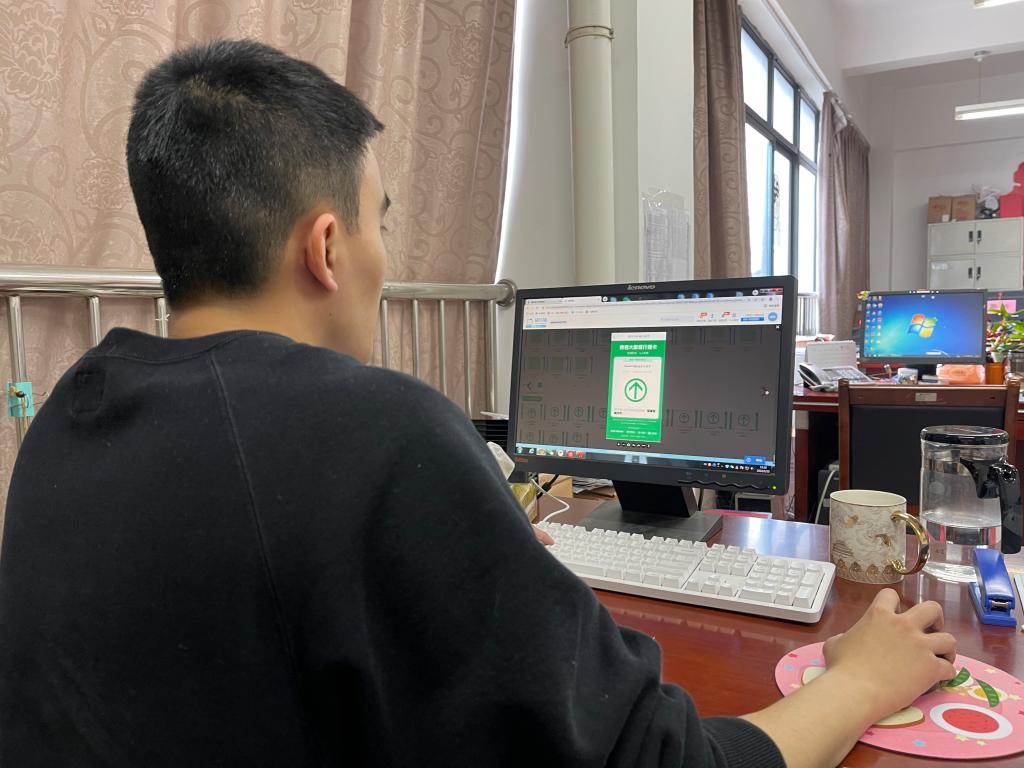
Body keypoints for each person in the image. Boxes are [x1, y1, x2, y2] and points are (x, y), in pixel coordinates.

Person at [0, 40, 955, 768]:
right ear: (326, 248)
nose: (383, 259)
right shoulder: (376, 432)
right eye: (380, 225)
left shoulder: (68, 418)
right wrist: (861, 680)